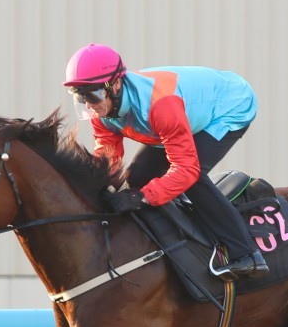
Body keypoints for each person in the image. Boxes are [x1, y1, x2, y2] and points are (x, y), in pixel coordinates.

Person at [63, 43, 268, 280]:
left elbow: (186, 170)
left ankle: (246, 254)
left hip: (229, 106)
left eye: (92, 95)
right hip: (178, 117)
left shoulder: (160, 106)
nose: (89, 105)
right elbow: (108, 158)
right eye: (81, 98)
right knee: (137, 176)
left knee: (192, 177)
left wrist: (141, 197)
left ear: (116, 85)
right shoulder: (101, 112)